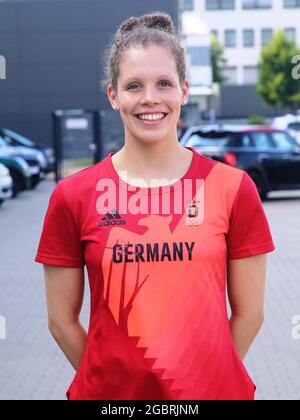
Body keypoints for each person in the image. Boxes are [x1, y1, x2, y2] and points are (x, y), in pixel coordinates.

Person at [35, 12, 275, 400]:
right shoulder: (73, 196)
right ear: (113, 95)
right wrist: (113, 387)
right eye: (134, 85)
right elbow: (61, 321)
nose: (150, 98)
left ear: (184, 90)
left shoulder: (232, 188)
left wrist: (204, 382)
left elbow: (250, 314)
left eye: (164, 83)